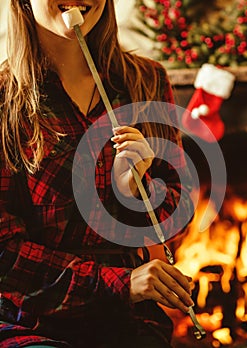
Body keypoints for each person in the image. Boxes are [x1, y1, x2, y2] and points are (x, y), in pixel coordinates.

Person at [0, 1, 195, 347]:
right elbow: (4, 254)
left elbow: (173, 217)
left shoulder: (145, 81)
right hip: (29, 322)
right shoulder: (4, 100)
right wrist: (121, 283)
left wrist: (136, 192)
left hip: (126, 319)